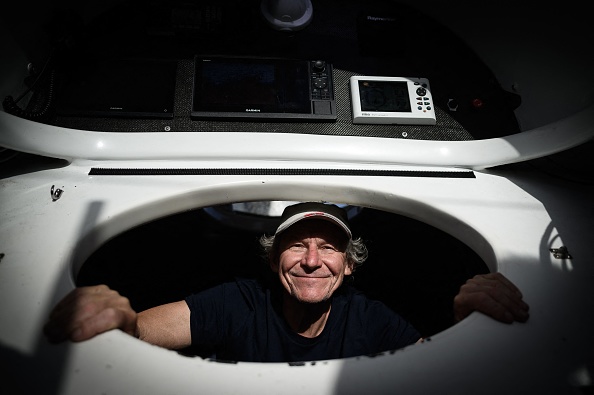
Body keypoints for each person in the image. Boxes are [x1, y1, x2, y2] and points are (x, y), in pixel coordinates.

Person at [44, 202, 530, 362]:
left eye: (329, 247)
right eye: (297, 245)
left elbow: (434, 372)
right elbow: (143, 331)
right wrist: (117, 321)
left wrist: (469, 327)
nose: (313, 260)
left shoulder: (371, 317)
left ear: (350, 266)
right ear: (274, 260)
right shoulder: (240, 301)